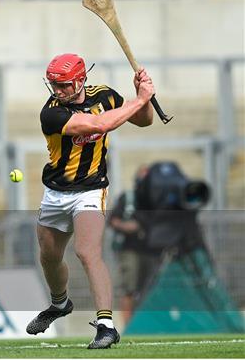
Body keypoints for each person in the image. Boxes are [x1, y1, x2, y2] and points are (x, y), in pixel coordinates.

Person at [26, 53, 154, 349]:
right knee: (48, 255)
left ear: (81, 80)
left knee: (87, 252)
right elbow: (98, 126)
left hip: (90, 190)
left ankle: (107, 326)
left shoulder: (106, 95)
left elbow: (144, 121)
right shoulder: (52, 113)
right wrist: (139, 99)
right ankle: (59, 304)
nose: (58, 91)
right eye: (54, 84)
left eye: (65, 85)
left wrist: (142, 98)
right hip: (56, 192)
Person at [107, 165, 162, 326]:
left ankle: (146, 324)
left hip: (151, 250)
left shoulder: (156, 201)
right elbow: (113, 220)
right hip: (129, 249)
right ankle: (129, 326)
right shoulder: (128, 198)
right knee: (129, 288)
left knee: (149, 289)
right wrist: (128, 227)